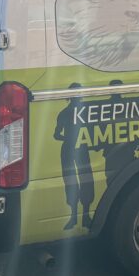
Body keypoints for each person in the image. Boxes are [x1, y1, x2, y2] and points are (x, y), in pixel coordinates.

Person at [53, 83, 94, 230]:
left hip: (81, 146)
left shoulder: (86, 110)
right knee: (72, 180)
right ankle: (74, 217)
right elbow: (56, 134)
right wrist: (69, 138)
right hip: (71, 148)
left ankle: (85, 217)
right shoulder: (65, 113)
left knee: (86, 179)